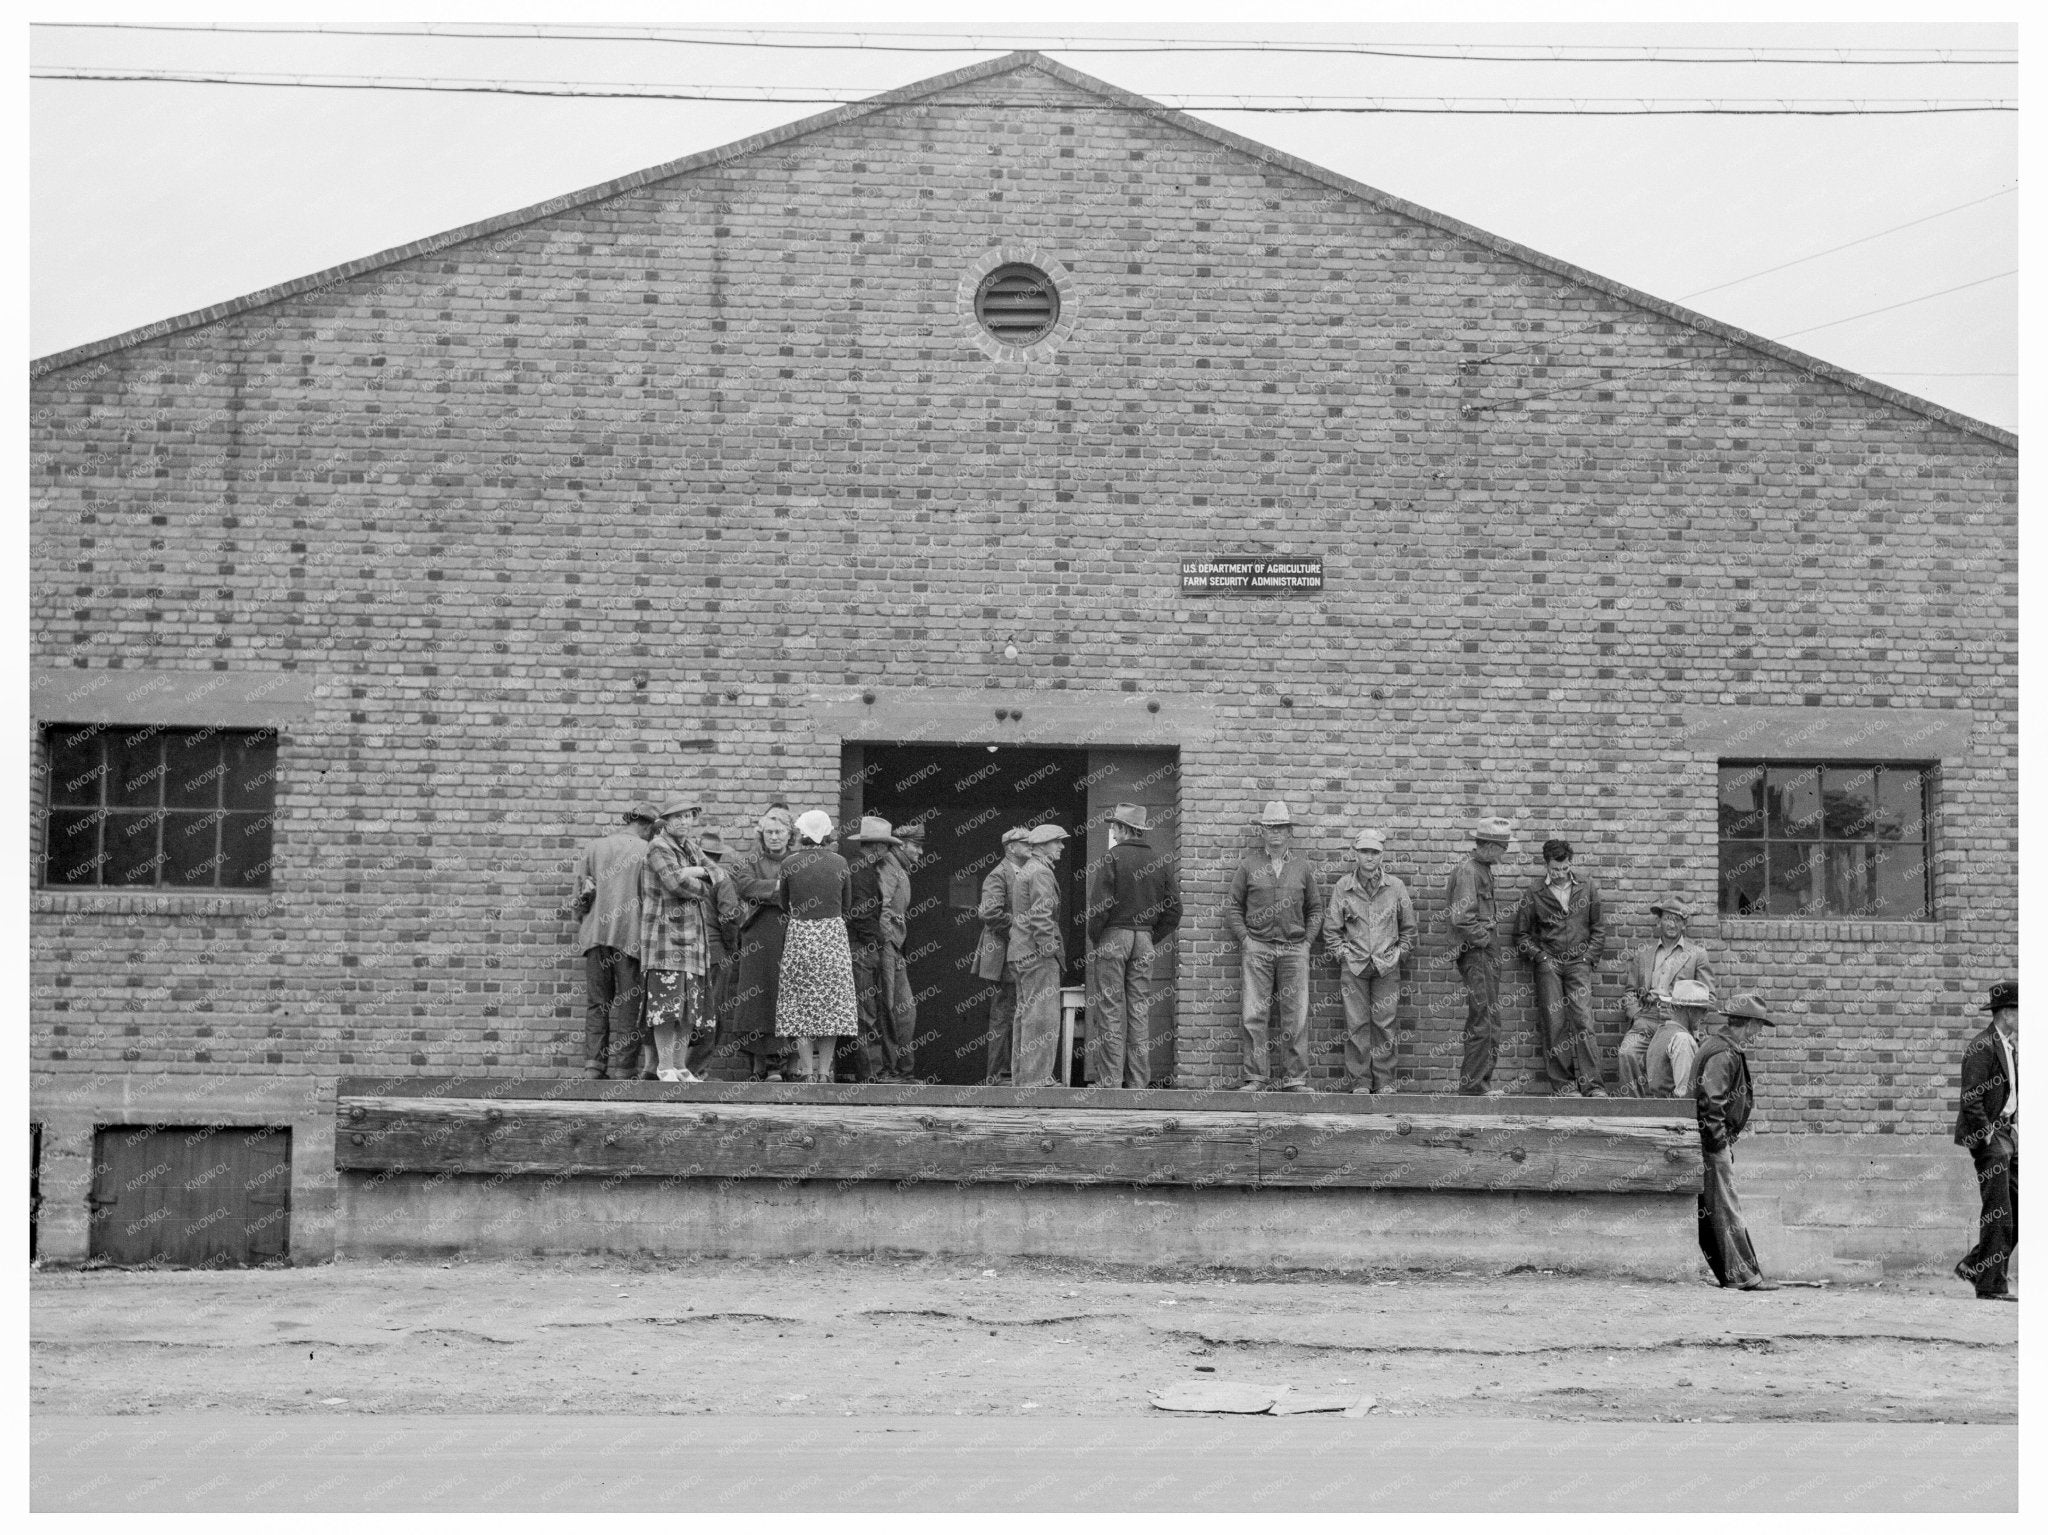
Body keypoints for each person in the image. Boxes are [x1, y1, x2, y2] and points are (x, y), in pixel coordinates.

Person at [1226, 800, 1324, 1093]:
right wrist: (1246, 939)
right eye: (1269, 828)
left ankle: (1294, 1079)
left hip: (1294, 950)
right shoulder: (1249, 866)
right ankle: (1256, 1077)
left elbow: (1316, 909)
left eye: (1280, 827)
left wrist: (1306, 942)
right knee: (1254, 1014)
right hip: (1258, 948)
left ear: (1289, 831)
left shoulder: (1302, 867)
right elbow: (1233, 906)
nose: (1275, 833)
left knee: (1296, 1015)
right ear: (1262, 832)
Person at [1085, 804, 1181, 1089]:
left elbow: (1099, 907)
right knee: (1138, 1010)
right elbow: (1175, 910)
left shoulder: (1113, 857)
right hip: (1144, 940)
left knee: (1110, 1009)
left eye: (1114, 826)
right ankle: (1138, 1084)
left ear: (1125, 829)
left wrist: (1096, 937)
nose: (1112, 831)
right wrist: (1151, 936)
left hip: (1114, 937)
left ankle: (1110, 1083)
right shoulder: (1159, 860)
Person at [1693, 992, 1782, 1291]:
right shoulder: (1724, 1053)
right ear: (1748, 1024)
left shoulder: (1721, 1047)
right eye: (1758, 1026)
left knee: (1720, 1210)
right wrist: (1719, 1144)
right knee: (1727, 1209)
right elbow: (1711, 1101)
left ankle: (1736, 1276)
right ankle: (1743, 1278)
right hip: (1712, 1144)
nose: (1758, 1034)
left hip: (1711, 1142)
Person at [1321, 828, 1416, 1095]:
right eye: (1364, 851)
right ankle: (1360, 1082)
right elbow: (1331, 928)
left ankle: (1385, 1081)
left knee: (1385, 1025)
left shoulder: (1395, 887)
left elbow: (1409, 928)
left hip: (1387, 966)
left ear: (1382, 855)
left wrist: (1399, 955)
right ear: (1356, 854)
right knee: (1356, 1026)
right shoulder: (1343, 886)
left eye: (1374, 852)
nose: (1369, 857)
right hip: (1355, 966)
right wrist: (1343, 954)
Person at [1511, 837, 1608, 1097]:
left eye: (1564, 869)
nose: (1560, 874)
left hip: (1579, 963)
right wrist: (1540, 958)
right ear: (1547, 865)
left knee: (1584, 1022)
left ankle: (1593, 1086)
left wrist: (1588, 958)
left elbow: (1598, 928)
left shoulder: (1587, 887)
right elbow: (1520, 935)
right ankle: (1564, 1086)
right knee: (1554, 1023)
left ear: (1570, 863)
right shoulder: (1534, 893)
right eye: (1555, 869)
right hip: (1549, 964)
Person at [572, 801, 658, 1080]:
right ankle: (624, 1068)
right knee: (629, 1003)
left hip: (596, 936)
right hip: (630, 938)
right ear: (647, 827)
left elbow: (579, 900)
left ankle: (593, 1066)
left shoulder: (594, 848)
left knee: (598, 1003)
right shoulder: (648, 851)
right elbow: (652, 900)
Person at [637, 793, 717, 1084]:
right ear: (666, 821)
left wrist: (695, 870)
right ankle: (665, 1066)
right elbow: (676, 884)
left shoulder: (692, 847)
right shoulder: (659, 846)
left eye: (689, 816)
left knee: (688, 1010)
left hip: (694, 942)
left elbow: (718, 874)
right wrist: (701, 879)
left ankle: (681, 1067)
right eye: (678, 816)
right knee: (666, 1008)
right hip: (664, 942)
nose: (684, 821)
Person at [774, 810, 857, 1082]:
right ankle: (824, 1073)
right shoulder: (840, 862)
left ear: (802, 833)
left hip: (800, 934)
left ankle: (807, 1071)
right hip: (832, 935)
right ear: (827, 833)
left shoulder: (788, 863)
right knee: (831, 1007)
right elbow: (847, 905)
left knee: (800, 1006)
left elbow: (781, 903)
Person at [1953, 978, 2018, 1301]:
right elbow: (1971, 1098)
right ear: (2007, 1012)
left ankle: (1975, 1263)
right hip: (1991, 1139)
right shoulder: (1983, 1046)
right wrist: (1988, 1135)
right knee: (1999, 1212)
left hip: (2010, 1135)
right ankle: (1990, 1285)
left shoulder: (2008, 1046)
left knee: (2019, 1209)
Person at [1618, 897, 1715, 1097]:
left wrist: (1678, 1003)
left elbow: (1709, 997)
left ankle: (1670, 1111)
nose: (1672, 924)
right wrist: (1636, 1014)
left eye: (1677, 920)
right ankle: (1637, 1113)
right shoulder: (1644, 953)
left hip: (1676, 1021)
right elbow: (1630, 991)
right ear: (1659, 921)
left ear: (1684, 924)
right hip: (1646, 1020)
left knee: (1672, 1065)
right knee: (1626, 1054)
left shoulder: (1697, 954)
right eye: (1668, 918)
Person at [728, 805, 797, 1081]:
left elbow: (801, 891)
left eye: (780, 831)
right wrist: (779, 888)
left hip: (788, 934)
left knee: (787, 997)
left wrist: (768, 890)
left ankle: (786, 1064)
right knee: (757, 1000)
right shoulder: (750, 859)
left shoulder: (796, 860)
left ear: (789, 834)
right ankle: (759, 1065)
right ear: (762, 834)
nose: (774, 837)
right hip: (757, 937)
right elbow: (743, 886)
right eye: (769, 832)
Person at [1446, 818, 1512, 1097]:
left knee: (1489, 1018)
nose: (1503, 854)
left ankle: (1480, 1084)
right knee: (1482, 1020)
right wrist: (1485, 941)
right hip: (1477, 953)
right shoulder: (1469, 871)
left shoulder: (1481, 869)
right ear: (1487, 846)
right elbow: (1462, 917)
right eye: (1501, 847)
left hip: (1484, 952)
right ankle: (1473, 1087)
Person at [1008, 824, 1069, 1088]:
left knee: (1026, 1016)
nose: (1062, 847)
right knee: (1043, 1017)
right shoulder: (1041, 872)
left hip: (1021, 951)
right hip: (1036, 954)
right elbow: (1041, 916)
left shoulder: (1027, 870)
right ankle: (1037, 1079)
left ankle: (1024, 1079)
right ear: (1043, 844)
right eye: (1058, 842)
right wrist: (1049, 950)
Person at [842, 816, 901, 1084]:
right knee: (866, 1012)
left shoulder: (857, 868)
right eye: (886, 846)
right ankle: (870, 1074)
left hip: (859, 946)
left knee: (865, 1010)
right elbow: (862, 913)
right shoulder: (863, 871)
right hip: (862, 949)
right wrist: (875, 943)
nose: (888, 852)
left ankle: (869, 1072)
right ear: (876, 847)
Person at [684, 829, 745, 1079]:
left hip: (684, 952)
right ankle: (696, 1069)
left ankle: (676, 1066)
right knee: (712, 1012)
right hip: (716, 952)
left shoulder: (683, 879)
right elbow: (730, 915)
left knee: (685, 1011)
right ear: (717, 857)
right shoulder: (721, 878)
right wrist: (731, 945)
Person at [974, 828, 1034, 1085]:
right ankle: (997, 1076)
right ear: (1010, 847)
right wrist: (1022, 927)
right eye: (1025, 843)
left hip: (1016, 953)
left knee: (1015, 1012)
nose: (1030, 846)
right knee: (1003, 1014)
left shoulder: (1025, 872)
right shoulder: (998, 875)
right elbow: (990, 914)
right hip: (1002, 955)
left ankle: (1011, 1073)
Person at [876, 820, 924, 1082]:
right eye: (916, 846)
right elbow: (882, 908)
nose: (920, 852)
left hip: (894, 948)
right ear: (902, 845)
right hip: (888, 947)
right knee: (890, 1008)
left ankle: (904, 1072)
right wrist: (887, 943)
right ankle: (889, 1072)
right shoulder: (890, 868)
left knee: (905, 1010)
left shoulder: (899, 868)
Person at [1645, 977, 1711, 1098]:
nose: (1705, 1016)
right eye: (1703, 1011)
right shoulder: (1683, 1039)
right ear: (1690, 1010)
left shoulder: (1661, 1032)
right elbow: (1686, 1095)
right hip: (1676, 1114)